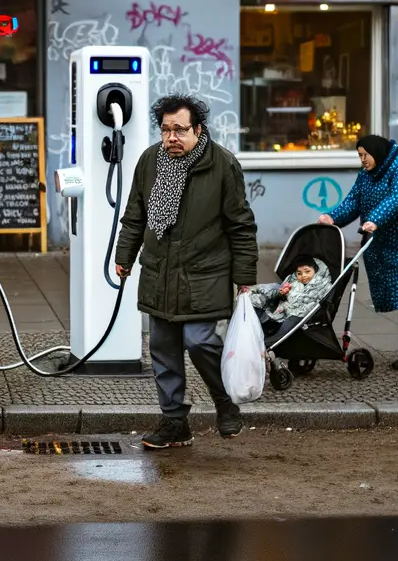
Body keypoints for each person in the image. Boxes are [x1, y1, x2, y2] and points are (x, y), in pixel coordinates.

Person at [115, 94, 259, 450]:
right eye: (165, 130)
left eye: (179, 130)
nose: (171, 138)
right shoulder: (150, 161)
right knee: (162, 349)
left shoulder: (222, 164)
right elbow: (135, 215)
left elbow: (241, 225)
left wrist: (245, 278)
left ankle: (224, 402)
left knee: (199, 341)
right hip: (159, 272)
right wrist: (125, 255)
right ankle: (175, 422)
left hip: (203, 273)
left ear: (198, 129)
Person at [318, 134, 398, 370]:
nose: (363, 160)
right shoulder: (367, 174)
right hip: (394, 239)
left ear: (377, 151)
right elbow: (354, 200)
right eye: (359, 155)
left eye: (365, 155)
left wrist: (375, 219)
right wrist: (332, 217)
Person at [250, 255, 333, 340]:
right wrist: (282, 292)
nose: (303, 276)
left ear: (316, 270)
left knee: (290, 321)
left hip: (301, 316)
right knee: (261, 301)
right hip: (284, 310)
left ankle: (270, 341)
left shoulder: (323, 284)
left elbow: (315, 303)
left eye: (307, 271)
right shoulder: (293, 282)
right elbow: (282, 298)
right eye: (299, 273)